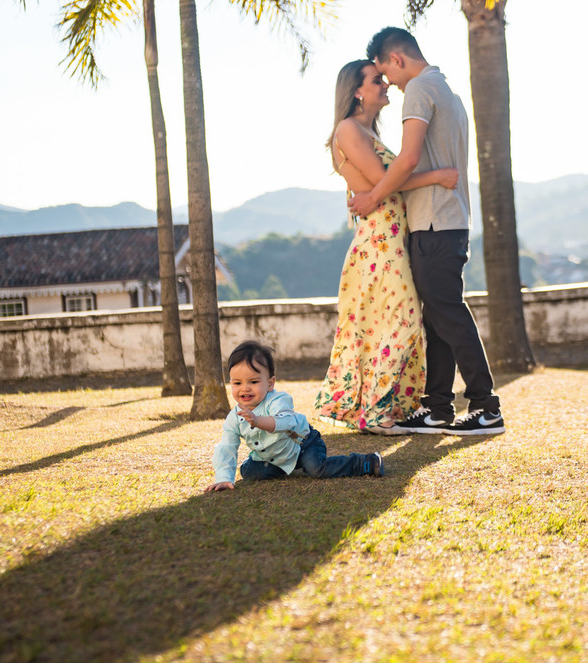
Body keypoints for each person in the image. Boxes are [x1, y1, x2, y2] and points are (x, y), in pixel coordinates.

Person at [348, 27, 504, 436]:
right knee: (437, 316)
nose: (389, 84)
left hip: (436, 221)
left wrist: (372, 197)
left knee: (447, 312)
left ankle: (486, 407)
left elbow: (407, 160)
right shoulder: (445, 89)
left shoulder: (419, 89)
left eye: (386, 73)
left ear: (397, 60)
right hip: (442, 220)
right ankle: (438, 408)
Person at [313, 59, 459, 435]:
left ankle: (380, 410)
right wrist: (438, 177)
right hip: (379, 243)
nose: (386, 85)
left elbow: (383, 182)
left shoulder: (365, 132)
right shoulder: (347, 129)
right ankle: (376, 413)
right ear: (357, 91)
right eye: (376, 80)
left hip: (392, 240)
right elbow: (384, 180)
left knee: (386, 323)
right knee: (404, 318)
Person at [205, 340, 383, 491]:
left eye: (253, 381)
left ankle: (364, 462)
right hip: (273, 457)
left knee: (317, 469)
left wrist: (258, 421)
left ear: (270, 383)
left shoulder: (278, 400)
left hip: (303, 444)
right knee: (250, 473)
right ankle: (281, 467)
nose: (244, 388)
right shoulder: (234, 417)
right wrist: (223, 477)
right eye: (237, 383)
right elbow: (226, 447)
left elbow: (286, 421)